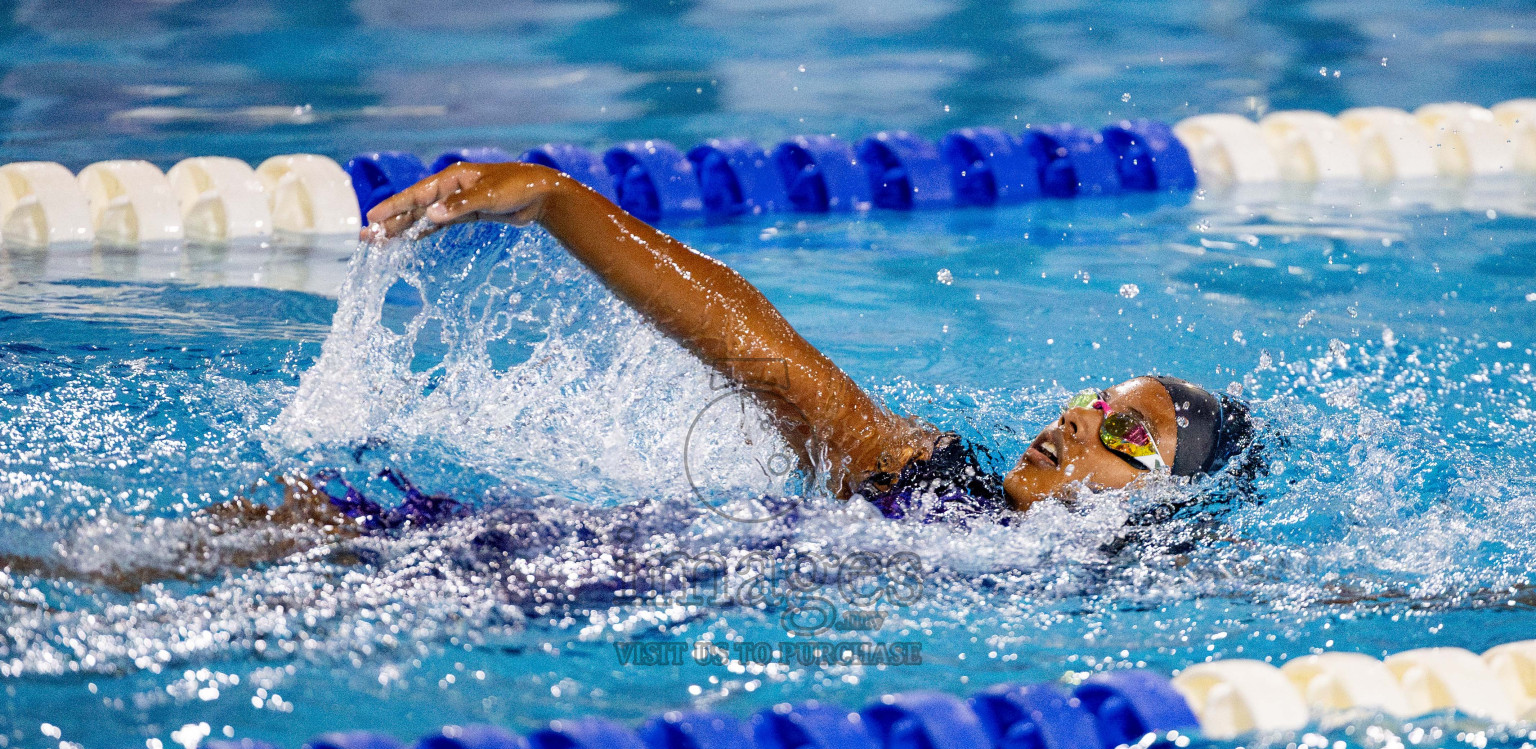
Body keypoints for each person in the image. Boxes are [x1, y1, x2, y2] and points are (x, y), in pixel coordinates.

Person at [366, 162, 1255, 523]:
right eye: (1096, 400)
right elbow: (760, 351)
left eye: (1125, 433)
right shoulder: (934, 476)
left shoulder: (1121, 595)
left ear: (1160, 505)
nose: (1079, 422)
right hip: (585, 569)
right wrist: (556, 199)